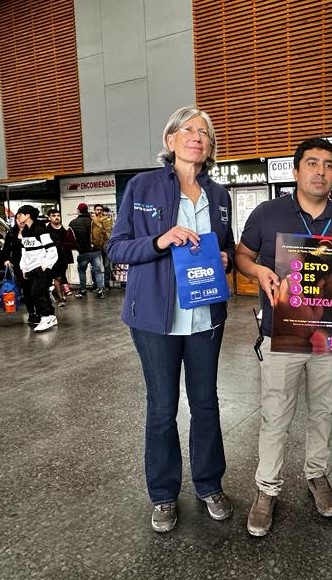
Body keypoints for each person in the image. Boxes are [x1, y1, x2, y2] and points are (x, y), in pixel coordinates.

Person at [107, 106, 236, 533]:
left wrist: (224, 258)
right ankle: (163, 494)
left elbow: (228, 247)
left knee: (206, 403)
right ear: (170, 140)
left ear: (210, 147)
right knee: (162, 408)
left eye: (205, 132)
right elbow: (117, 247)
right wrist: (160, 240)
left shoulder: (219, 195)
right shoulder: (142, 186)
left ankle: (209, 484)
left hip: (205, 317)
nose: (197, 136)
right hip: (154, 320)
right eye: (188, 129)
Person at [235, 137, 332, 537]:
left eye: (328, 165)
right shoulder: (267, 213)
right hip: (282, 332)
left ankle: (317, 474)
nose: (320, 172)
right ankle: (266, 488)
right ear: (295, 171)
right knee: (275, 414)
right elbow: (242, 256)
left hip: (327, 334)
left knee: (323, 409)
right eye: (312, 163)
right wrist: (259, 271)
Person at [0, 205, 59, 331]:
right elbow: (25, 252)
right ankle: (50, 317)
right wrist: (24, 268)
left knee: (37, 292)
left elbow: (52, 250)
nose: (18, 217)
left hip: (41, 268)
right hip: (30, 268)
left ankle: (46, 316)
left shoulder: (40, 230)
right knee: (35, 292)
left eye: (20, 214)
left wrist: (45, 265)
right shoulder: (26, 231)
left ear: (28, 215)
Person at [69, 202, 105, 298]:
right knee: (98, 271)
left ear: (78, 210)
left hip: (83, 252)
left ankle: (83, 291)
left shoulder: (73, 223)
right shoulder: (94, 221)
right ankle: (100, 291)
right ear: (87, 210)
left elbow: (72, 239)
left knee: (81, 271)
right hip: (95, 250)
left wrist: (78, 248)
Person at [46, 208, 77, 307]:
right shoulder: (46, 230)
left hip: (64, 257)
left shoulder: (66, 229)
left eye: (58, 215)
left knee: (62, 277)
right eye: (54, 216)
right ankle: (60, 298)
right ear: (49, 217)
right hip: (51, 258)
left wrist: (62, 245)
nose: (56, 218)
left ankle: (59, 294)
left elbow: (73, 243)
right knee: (57, 277)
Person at [92, 204, 114, 289]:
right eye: (97, 209)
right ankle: (96, 284)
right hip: (96, 245)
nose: (99, 211)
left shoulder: (107, 220)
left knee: (107, 266)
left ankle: (106, 284)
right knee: (95, 266)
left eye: (100, 209)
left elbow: (110, 231)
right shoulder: (92, 220)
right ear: (94, 210)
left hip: (106, 245)